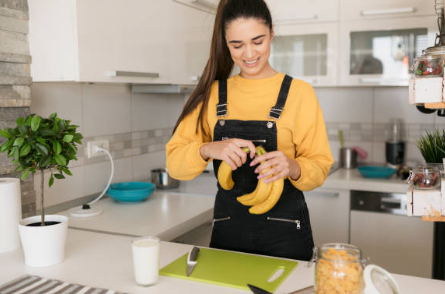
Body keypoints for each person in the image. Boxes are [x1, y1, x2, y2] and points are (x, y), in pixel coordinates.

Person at [166, 0, 333, 261]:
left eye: (258, 41)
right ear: (225, 43)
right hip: (228, 229)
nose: (249, 54)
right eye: (237, 45)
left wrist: (292, 167)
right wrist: (209, 148)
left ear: (272, 33)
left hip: (286, 233)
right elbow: (174, 165)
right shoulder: (212, 95)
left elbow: (320, 166)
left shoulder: (299, 93)